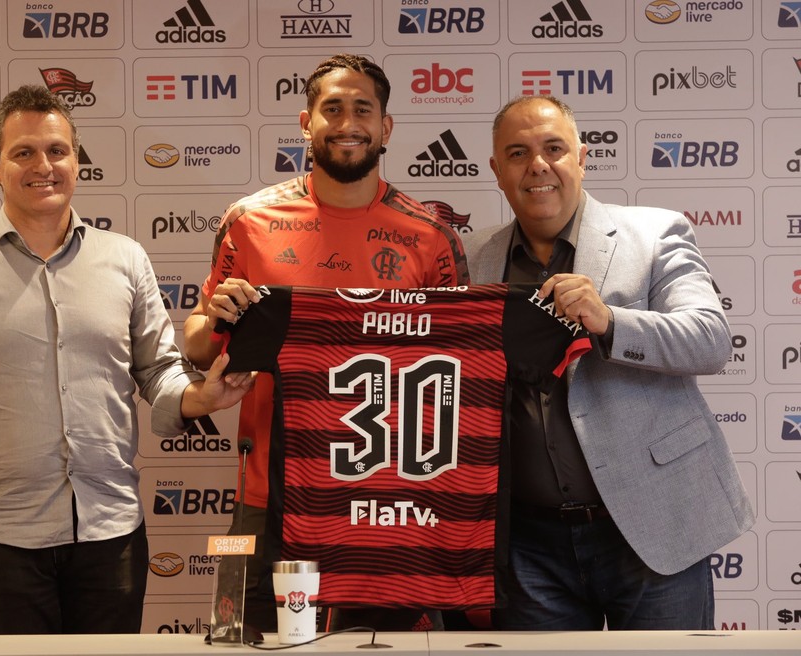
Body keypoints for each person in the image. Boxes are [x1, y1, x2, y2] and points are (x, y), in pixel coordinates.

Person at [0, 85, 255, 635]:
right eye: (23, 152)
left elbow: (157, 370)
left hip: (113, 535)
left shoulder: (125, 259)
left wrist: (202, 397)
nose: (43, 166)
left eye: (57, 150)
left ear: (77, 160)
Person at [183, 54, 469, 632]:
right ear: (305, 121)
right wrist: (214, 321)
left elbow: (460, 375)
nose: (347, 122)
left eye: (363, 108)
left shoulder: (432, 238)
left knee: (384, 646)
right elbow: (197, 345)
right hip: (267, 492)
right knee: (244, 640)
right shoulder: (249, 221)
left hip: (389, 498)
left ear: (386, 127)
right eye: (331, 108)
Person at [463, 95, 755, 630]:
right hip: (529, 546)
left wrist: (611, 321)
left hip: (655, 526)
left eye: (554, 148)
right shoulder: (473, 256)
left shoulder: (656, 232)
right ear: (497, 172)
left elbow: (710, 339)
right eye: (517, 153)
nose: (538, 166)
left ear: (581, 157)